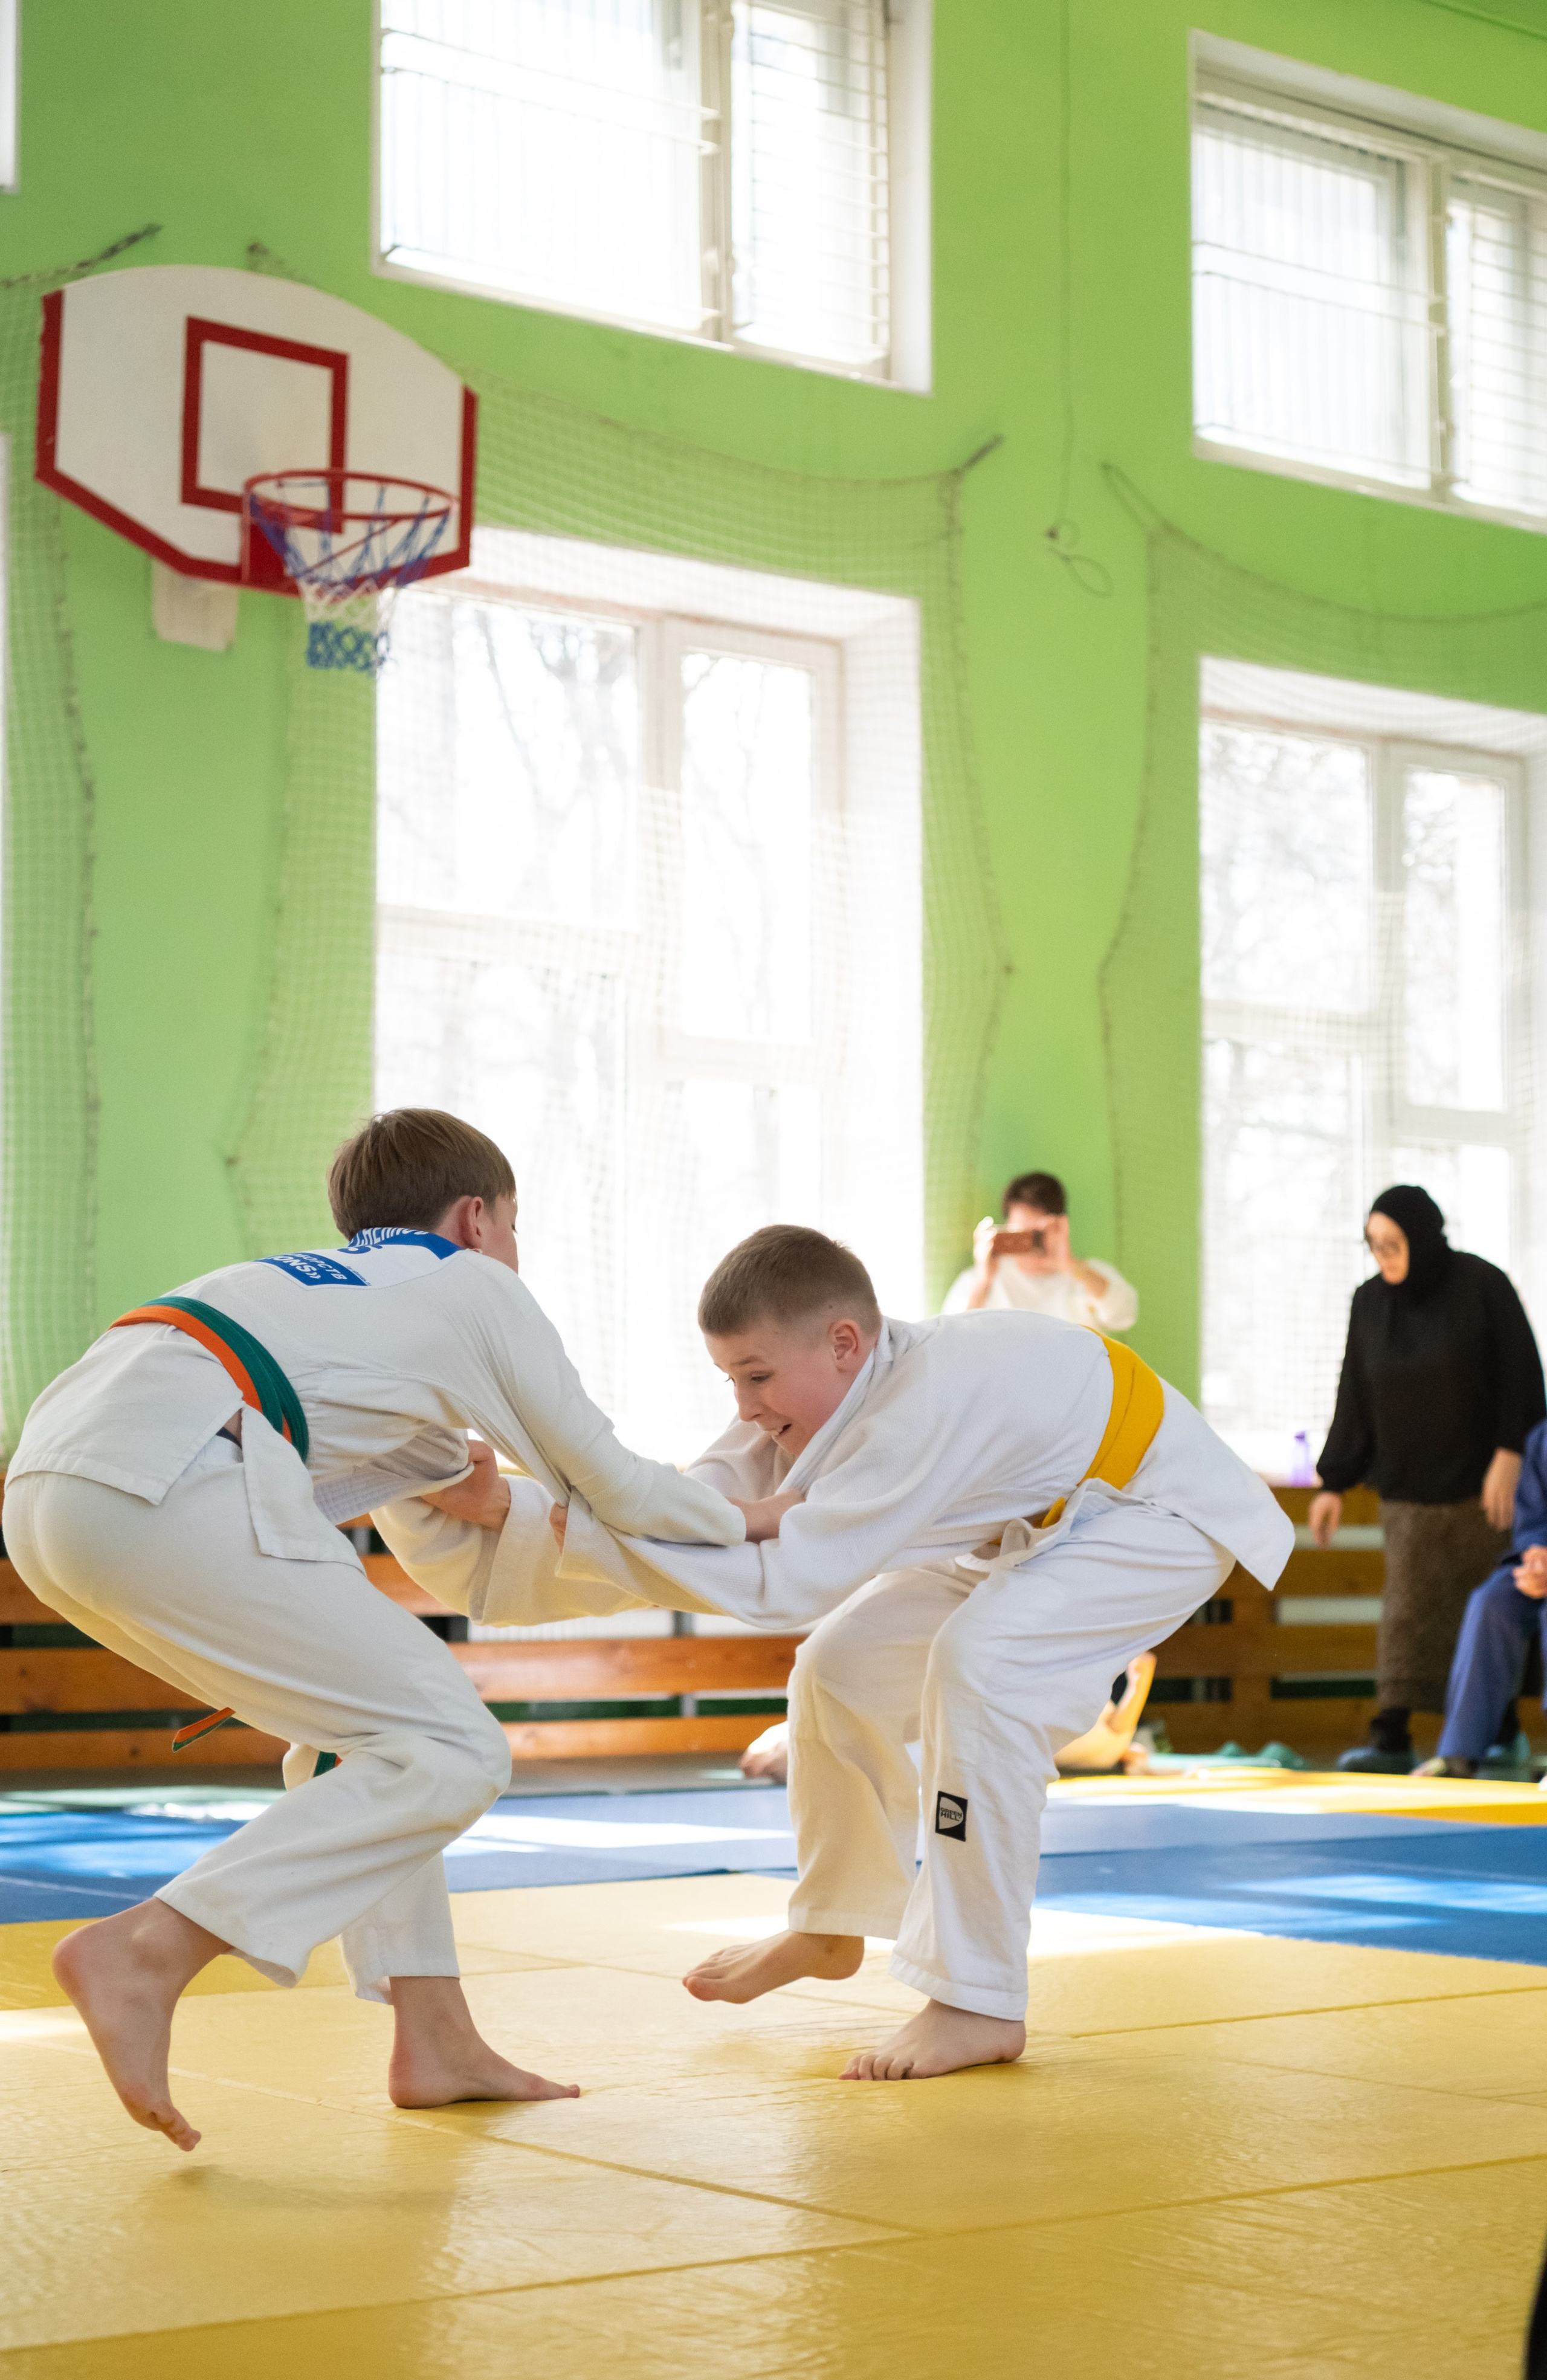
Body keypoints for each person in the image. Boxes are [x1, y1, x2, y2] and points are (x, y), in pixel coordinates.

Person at [4, 1107, 781, 2153]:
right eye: (514, 1227)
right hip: (174, 1478)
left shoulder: (312, 1296)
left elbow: (444, 1533)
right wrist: (754, 1519)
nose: (515, 1253)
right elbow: (613, 1480)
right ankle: (153, 1945)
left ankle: (437, 2036)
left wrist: (471, 1489)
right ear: (475, 1217)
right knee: (453, 1745)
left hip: (57, 1493)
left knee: (372, 1737)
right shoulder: (471, 1282)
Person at [523, 1224, 1291, 2080]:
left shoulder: (918, 1403)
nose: (744, 1404)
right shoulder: (826, 1385)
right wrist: (579, 1508)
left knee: (982, 1669)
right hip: (1027, 1531)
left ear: (843, 1341)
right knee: (837, 1668)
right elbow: (719, 1486)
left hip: (1155, 1517)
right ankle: (829, 1921)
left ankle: (978, 2000)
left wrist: (604, 1538)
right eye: (732, 1377)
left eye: (756, 1376)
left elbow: (789, 1576)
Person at [1309, 1186, 1545, 1775]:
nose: (1384, 1257)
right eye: (1375, 1246)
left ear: (1424, 1237)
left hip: (1481, 1488)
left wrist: (1510, 1451)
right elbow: (1354, 1390)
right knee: (1408, 1615)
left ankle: (1499, 1735)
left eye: (1394, 1244)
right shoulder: (1369, 1302)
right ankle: (1391, 1735)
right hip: (1408, 1491)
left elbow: (1521, 1371)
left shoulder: (1481, 1286)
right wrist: (1332, 1480)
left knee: (1487, 1606)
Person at [1415, 1416, 1547, 1779]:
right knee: (1491, 1602)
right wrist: (1536, 1557)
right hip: (1542, 1568)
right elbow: (1532, 1522)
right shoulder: (1542, 1439)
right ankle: (1459, 1754)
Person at [942, 1170, 1137, 1333]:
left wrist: (1072, 1267)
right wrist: (983, 1280)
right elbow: (952, 1335)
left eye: (1036, 1235)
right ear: (1007, 1227)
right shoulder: (982, 1280)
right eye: (1020, 1233)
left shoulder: (1088, 1276)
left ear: (1061, 1226)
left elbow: (1125, 1316)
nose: (1029, 1245)